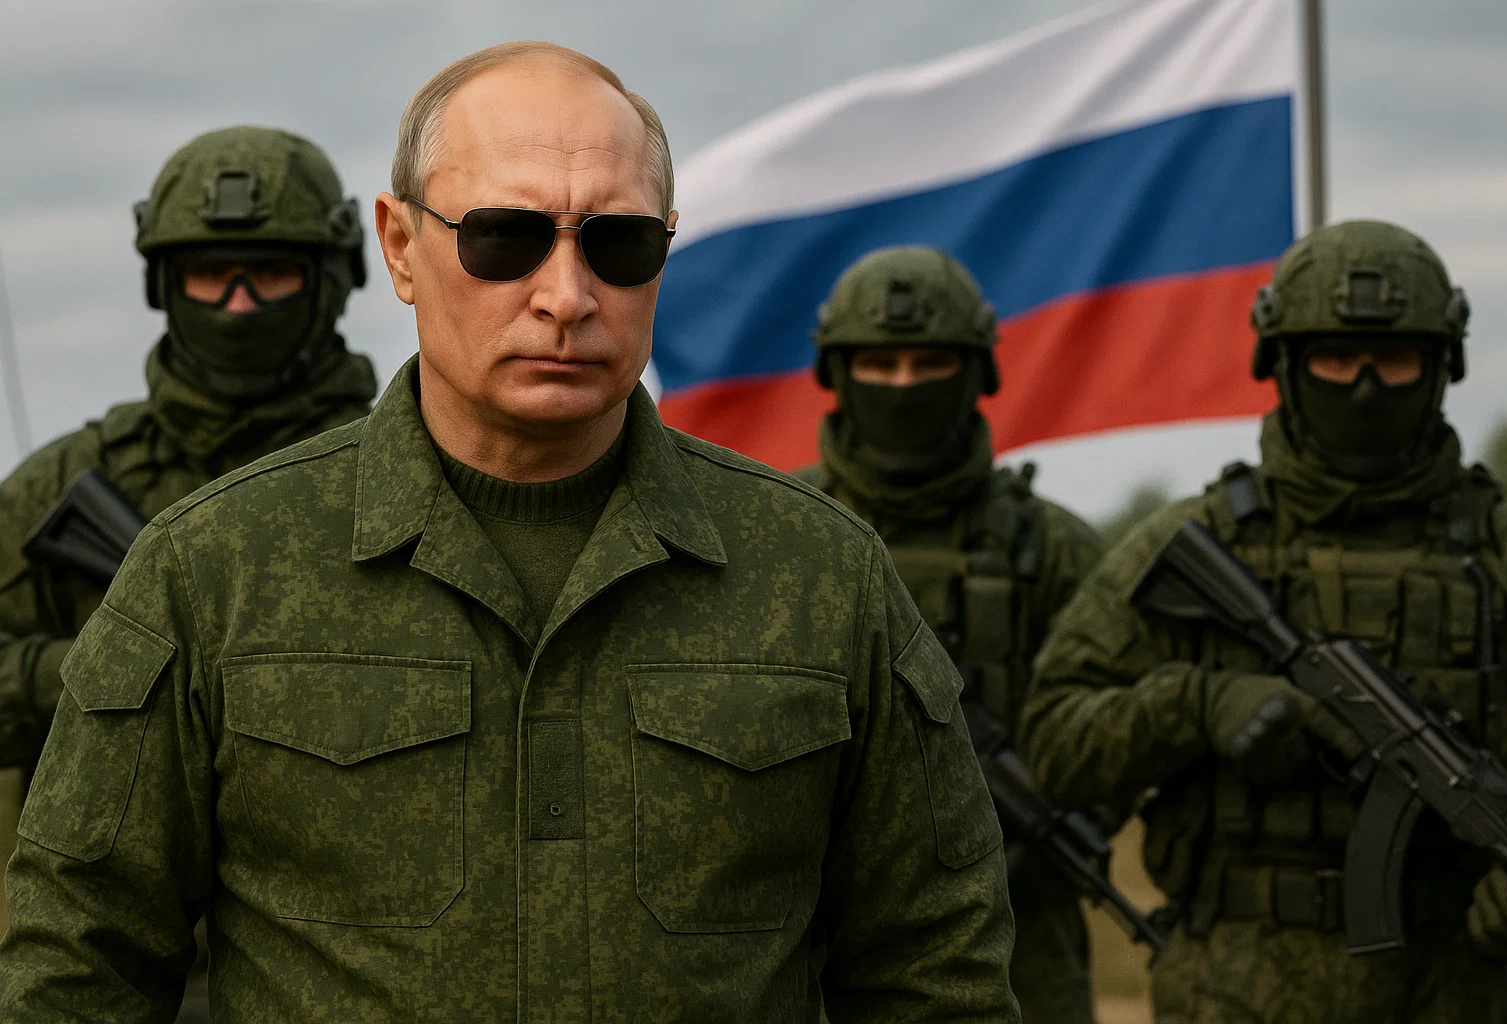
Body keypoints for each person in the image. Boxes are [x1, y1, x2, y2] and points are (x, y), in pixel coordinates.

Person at [0, 42, 1018, 1023]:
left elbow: (934, 971)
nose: (567, 297)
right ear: (401, 246)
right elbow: (77, 967)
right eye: (504, 237)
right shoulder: (210, 568)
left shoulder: (823, 575)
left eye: (619, 245)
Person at [1021, 219, 1507, 1022]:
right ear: (1284, 365)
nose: (1365, 386)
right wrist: (1196, 704)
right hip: (1235, 991)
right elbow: (1054, 741)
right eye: (1336, 357)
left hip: (1460, 990)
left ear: (1442, 368)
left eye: (1395, 359)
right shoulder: (1197, 544)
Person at [0, 126, 376, 1022]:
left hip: (341, 965)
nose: (238, 305)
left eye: (269, 274)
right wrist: (111, 671)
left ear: (329, 280)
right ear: (163, 285)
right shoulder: (66, 485)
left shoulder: (394, 475)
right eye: (211, 275)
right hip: (110, 960)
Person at [797, 245, 1105, 1021]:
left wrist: (1041, 831)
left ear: (976, 374)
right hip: (804, 936)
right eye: (880, 364)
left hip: (1019, 936)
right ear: (837, 374)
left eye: (929, 363)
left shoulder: (1053, 548)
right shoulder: (776, 535)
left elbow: (1114, 726)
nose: (904, 386)